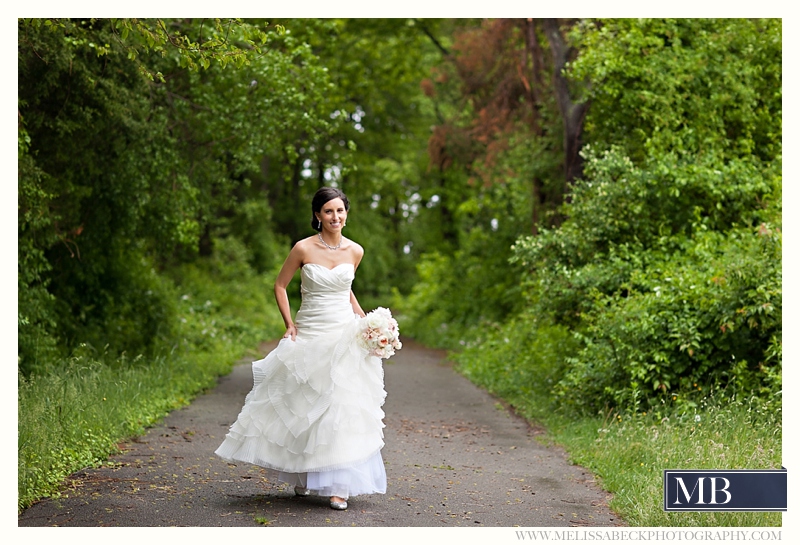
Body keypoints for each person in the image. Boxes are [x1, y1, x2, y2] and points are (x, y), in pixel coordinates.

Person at [215, 186, 387, 511]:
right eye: (328, 212)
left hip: (343, 335)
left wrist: (368, 323)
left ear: (346, 213)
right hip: (310, 330)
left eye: (340, 211)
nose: (335, 217)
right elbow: (280, 285)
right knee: (306, 402)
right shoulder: (302, 248)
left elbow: (346, 292)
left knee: (341, 405)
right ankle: (305, 474)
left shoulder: (356, 251)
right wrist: (289, 323)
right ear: (317, 215)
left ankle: (339, 486)